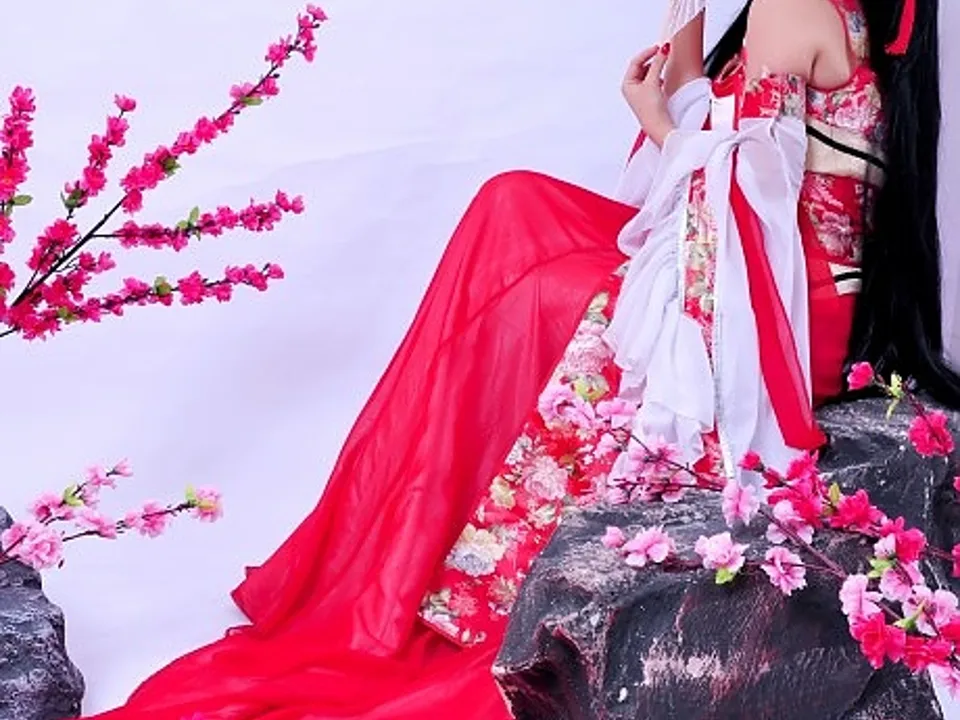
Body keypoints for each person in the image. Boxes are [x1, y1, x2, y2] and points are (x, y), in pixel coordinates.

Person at [87, 0, 951, 718]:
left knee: (542, 289)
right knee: (516, 206)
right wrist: (685, 36)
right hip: (785, 285)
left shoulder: (790, 6)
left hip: (773, 311)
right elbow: (727, 154)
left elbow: (734, 206)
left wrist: (653, 120)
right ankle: (417, 539)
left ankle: (439, 566)